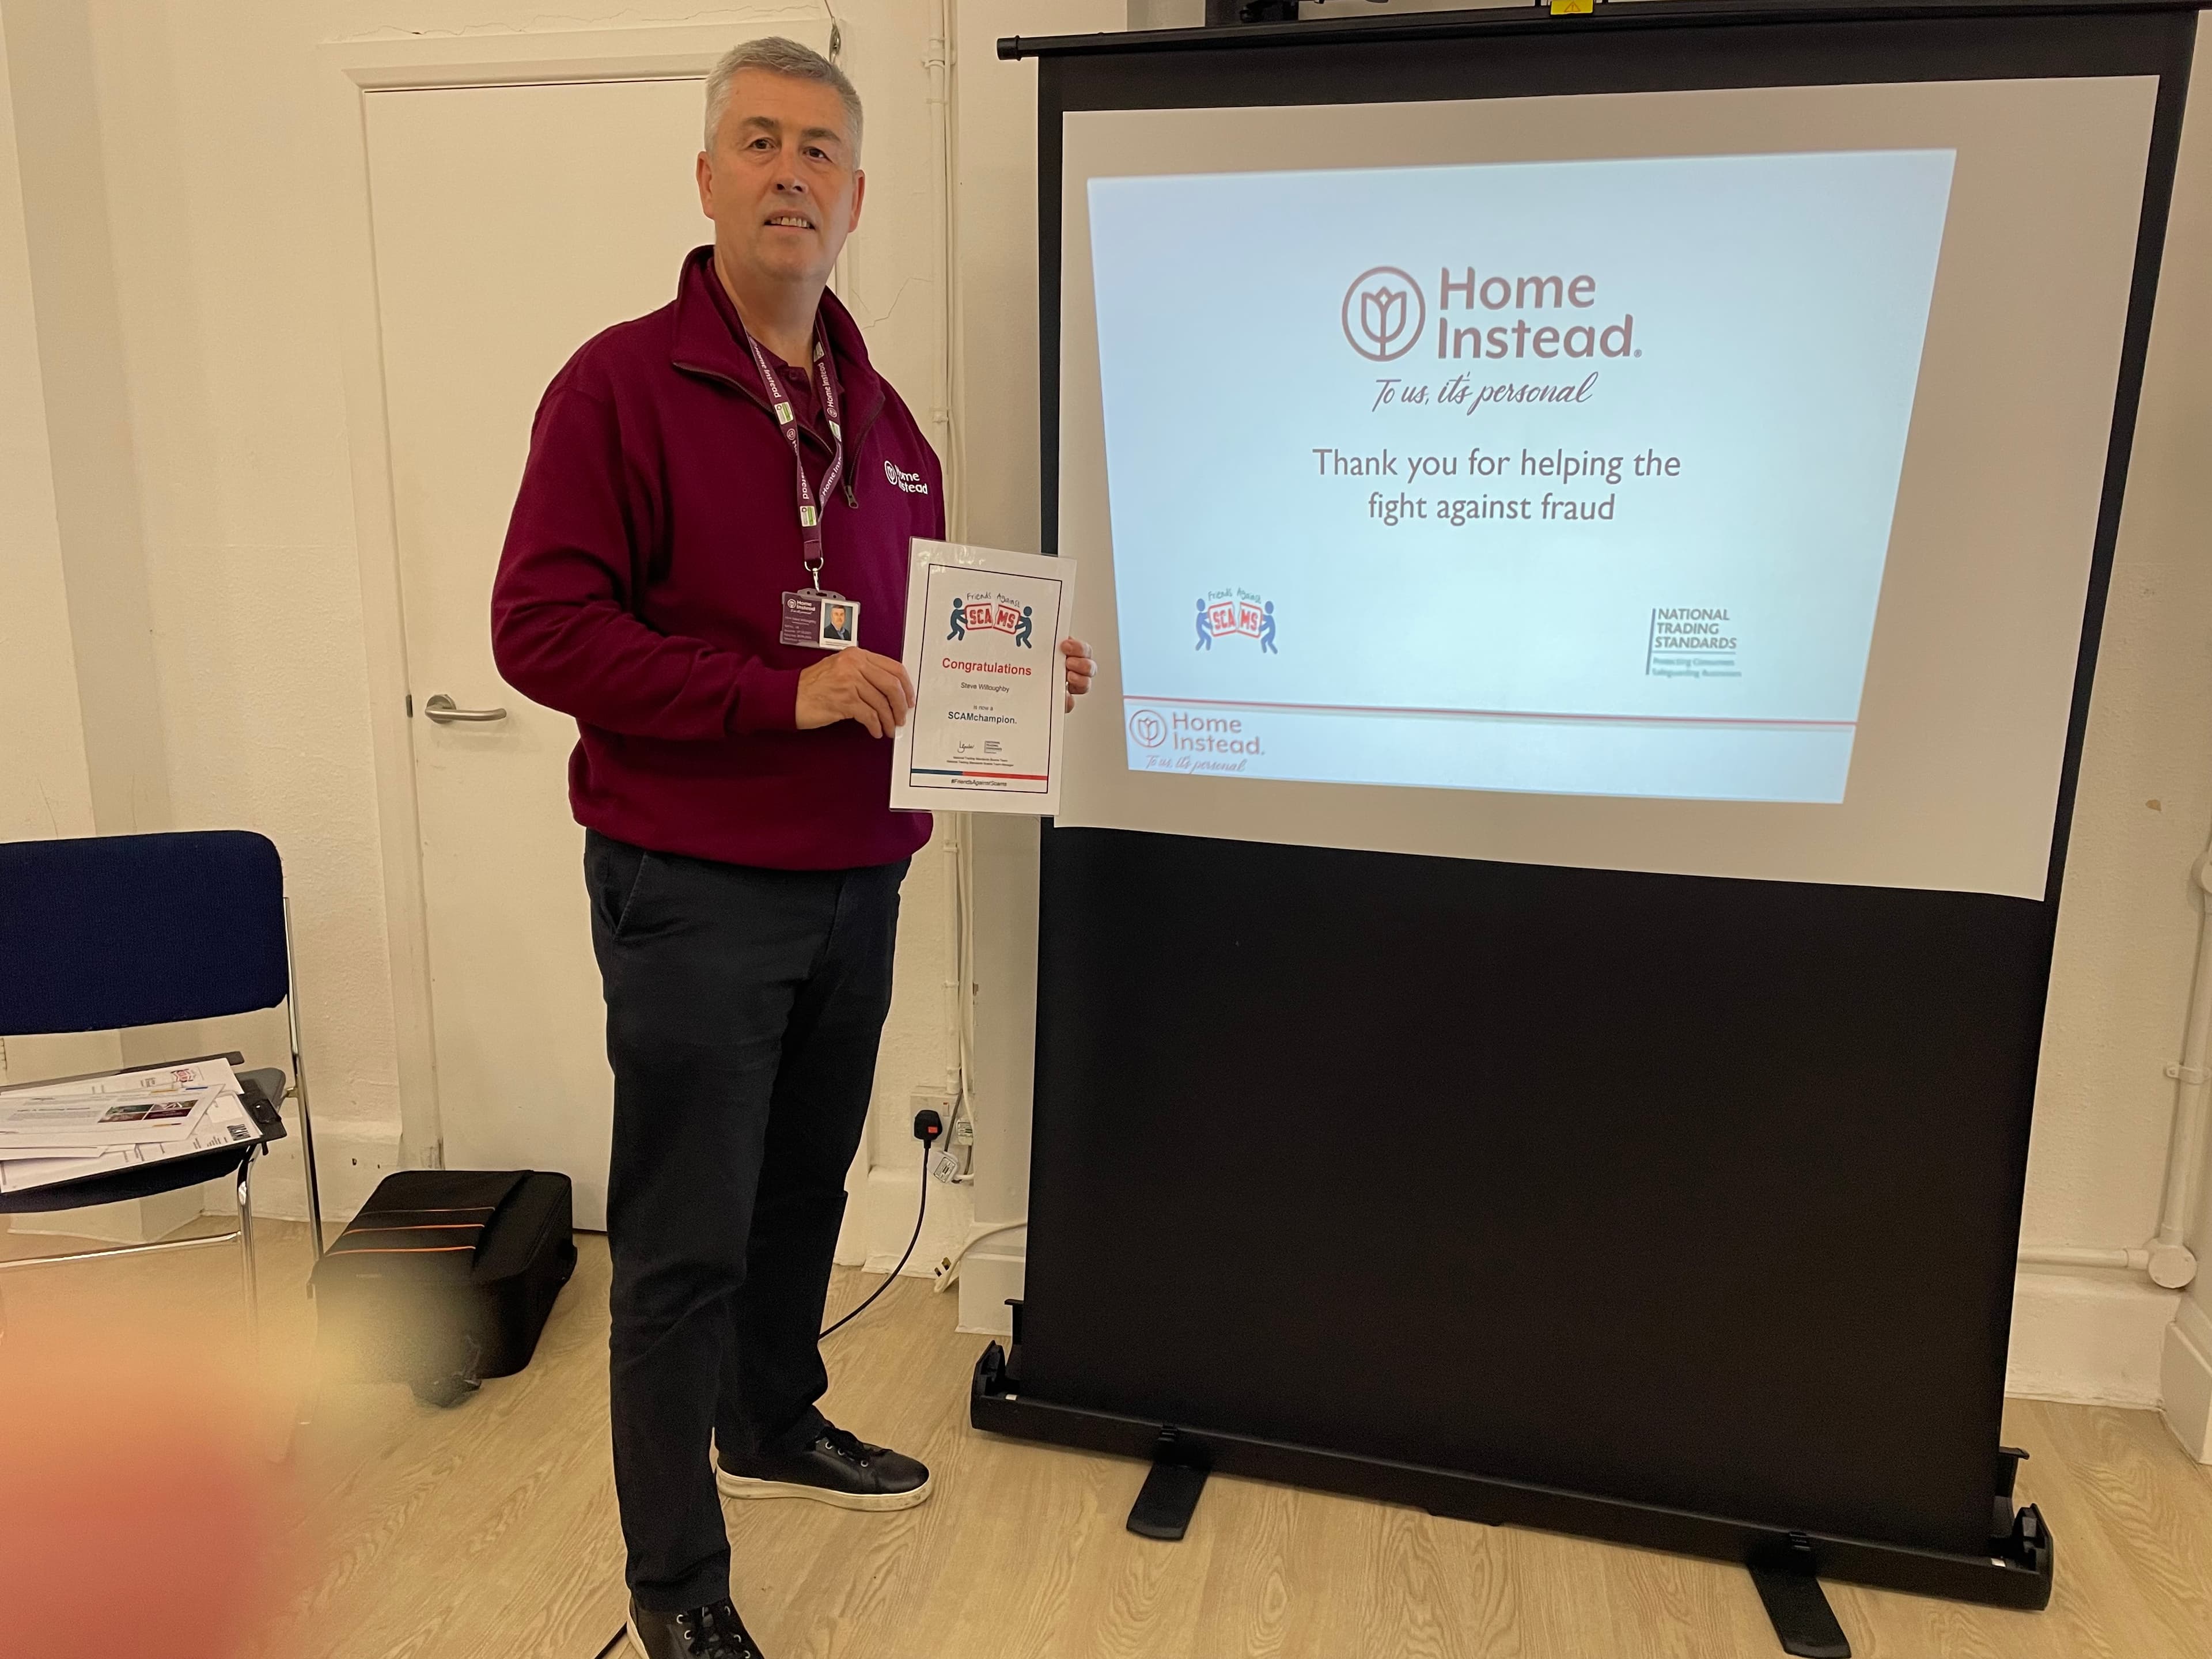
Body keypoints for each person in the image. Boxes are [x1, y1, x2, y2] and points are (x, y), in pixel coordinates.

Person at [489, 38, 1094, 1659]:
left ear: (857, 195)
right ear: (706, 177)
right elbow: (541, 633)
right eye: (758, 143)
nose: (790, 174)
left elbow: (899, 645)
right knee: (682, 1241)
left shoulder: (887, 423)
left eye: (820, 151)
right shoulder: (618, 386)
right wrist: (778, 694)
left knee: (803, 1192)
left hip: (858, 877)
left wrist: (1010, 668)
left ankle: (772, 1424)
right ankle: (677, 1591)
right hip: (693, 886)